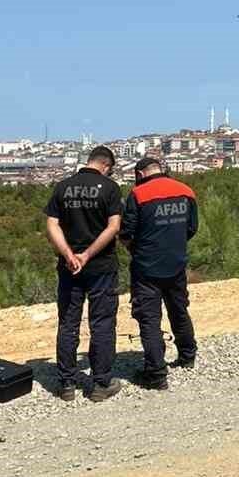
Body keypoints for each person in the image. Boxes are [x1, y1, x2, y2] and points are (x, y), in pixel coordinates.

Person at [44, 145, 123, 402]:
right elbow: (114, 227)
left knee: (68, 322)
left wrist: (69, 254)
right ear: (106, 166)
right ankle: (101, 383)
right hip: (101, 266)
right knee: (102, 323)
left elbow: (52, 225)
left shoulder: (63, 187)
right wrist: (87, 255)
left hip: (69, 267)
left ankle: (66, 383)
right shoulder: (110, 188)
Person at [120, 154, 199, 391]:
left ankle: (156, 374)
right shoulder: (186, 191)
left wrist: (134, 249)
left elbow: (126, 233)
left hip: (146, 268)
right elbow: (192, 228)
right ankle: (187, 355)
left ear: (140, 174)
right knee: (179, 310)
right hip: (176, 264)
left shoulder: (138, 194)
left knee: (149, 319)